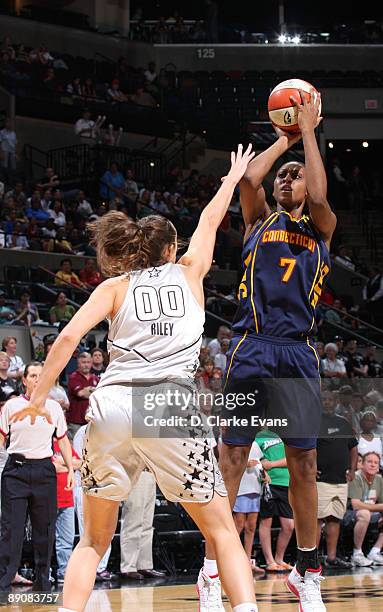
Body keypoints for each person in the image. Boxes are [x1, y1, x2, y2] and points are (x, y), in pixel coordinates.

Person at [12, 144, 259, 612]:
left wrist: (40, 396)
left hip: (112, 405)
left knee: (93, 540)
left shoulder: (114, 286)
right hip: (167, 403)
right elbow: (210, 221)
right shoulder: (190, 274)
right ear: (171, 249)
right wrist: (231, 179)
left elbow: (66, 338)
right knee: (222, 529)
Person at [205, 90, 335, 611]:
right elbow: (250, 179)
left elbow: (322, 200)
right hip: (251, 349)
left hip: (299, 353)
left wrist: (308, 133)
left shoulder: (320, 228)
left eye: (296, 174)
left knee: (304, 465)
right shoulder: (257, 221)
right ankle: (211, 570)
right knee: (231, 456)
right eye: (286, 173)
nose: (287, 178)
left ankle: (307, 571)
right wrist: (283, 140)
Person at [0, 361, 74, 591]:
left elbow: (62, 438)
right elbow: (2, 437)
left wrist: (71, 468)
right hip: (16, 471)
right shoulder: (11, 406)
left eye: (40, 375)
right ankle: (4, 580)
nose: (36, 379)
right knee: (12, 528)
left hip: (44, 470)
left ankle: (43, 581)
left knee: (45, 529)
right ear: (24, 380)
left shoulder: (53, 408)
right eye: (32, 375)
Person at [316, 391, 358, 568]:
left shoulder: (343, 423)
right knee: (317, 520)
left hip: (340, 479)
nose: (327, 403)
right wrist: (310, 468)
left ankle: (331, 558)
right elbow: (307, 449)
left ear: (335, 402)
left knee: (334, 519)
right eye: (324, 400)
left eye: (330, 400)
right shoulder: (314, 423)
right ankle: (312, 558)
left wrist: (353, 469)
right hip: (321, 480)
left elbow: (353, 448)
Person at [72, 425, 113, 582]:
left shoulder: (110, 430)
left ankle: (101, 567)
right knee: (87, 529)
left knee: (106, 528)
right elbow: (78, 460)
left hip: (106, 485)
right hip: (85, 484)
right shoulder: (82, 432)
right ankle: (89, 567)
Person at [256, 430, 294, 572]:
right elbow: (256, 460)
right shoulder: (259, 436)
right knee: (266, 521)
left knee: (289, 525)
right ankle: (269, 561)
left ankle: (279, 558)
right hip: (268, 483)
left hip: (286, 482)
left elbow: (292, 458)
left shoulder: (288, 434)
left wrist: (271, 464)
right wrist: (263, 467)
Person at [120, 470, 166, 580]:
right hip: (135, 473)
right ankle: (128, 567)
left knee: (147, 524)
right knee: (133, 522)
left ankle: (144, 565)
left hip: (150, 474)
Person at [344, 452, 383, 566]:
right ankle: (357, 554)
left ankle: (375, 552)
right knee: (364, 513)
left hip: (370, 512)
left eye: (376, 463)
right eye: (369, 462)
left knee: (366, 513)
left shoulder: (379, 479)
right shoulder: (356, 477)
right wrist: (379, 507)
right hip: (348, 514)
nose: (373, 465)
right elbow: (356, 505)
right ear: (363, 464)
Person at [232, 440, 265, 574]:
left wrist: (264, 474)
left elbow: (259, 463)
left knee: (251, 526)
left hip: (255, 488)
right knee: (238, 525)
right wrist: (245, 464)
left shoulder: (255, 444)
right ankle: (232, 560)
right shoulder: (234, 443)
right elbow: (228, 463)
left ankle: (247, 561)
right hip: (241, 488)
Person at [52, 437, 81, 583]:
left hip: (67, 499)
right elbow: (51, 467)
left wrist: (63, 463)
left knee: (66, 539)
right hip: (49, 499)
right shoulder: (44, 444)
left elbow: (80, 463)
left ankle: (65, 572)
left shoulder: (63, 443)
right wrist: (69, 465)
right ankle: (47, 573)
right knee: (46, 540)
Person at [66, 352, 98, 440]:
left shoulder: (95, 378)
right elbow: (81, 393)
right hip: (76, 422)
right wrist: (94, 390)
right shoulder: (74, 377)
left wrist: (88, 389)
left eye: (88, 362)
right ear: (78, 363)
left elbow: (100, 395)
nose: (86, 365)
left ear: (91, 363)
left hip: (92, 421)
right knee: (77, 448)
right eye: (83, 362)